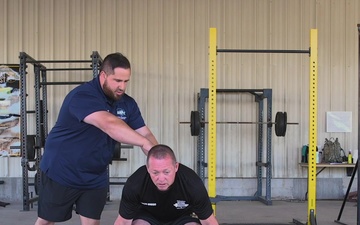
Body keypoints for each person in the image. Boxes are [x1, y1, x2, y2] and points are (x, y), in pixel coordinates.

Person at [35, 52, 158, 225]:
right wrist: (144, 143)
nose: (122, 86)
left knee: (92, 222)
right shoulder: (83, 96)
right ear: (103, 76)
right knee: (47, 221)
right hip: (62, 170)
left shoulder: (127, 103)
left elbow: (145, 133)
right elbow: (108, 124)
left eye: (126, 81)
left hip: (95, 174)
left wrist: (159, 159)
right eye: (117, 80)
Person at [114, 144, 220, 225]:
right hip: (147, 217)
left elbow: (209, 221)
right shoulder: (135, 183)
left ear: (176, 167)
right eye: (155, 172)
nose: (161, 179)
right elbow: (123, 221)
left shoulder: (192, 183)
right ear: (147, 169)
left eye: (166, 172)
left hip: (181, 218)